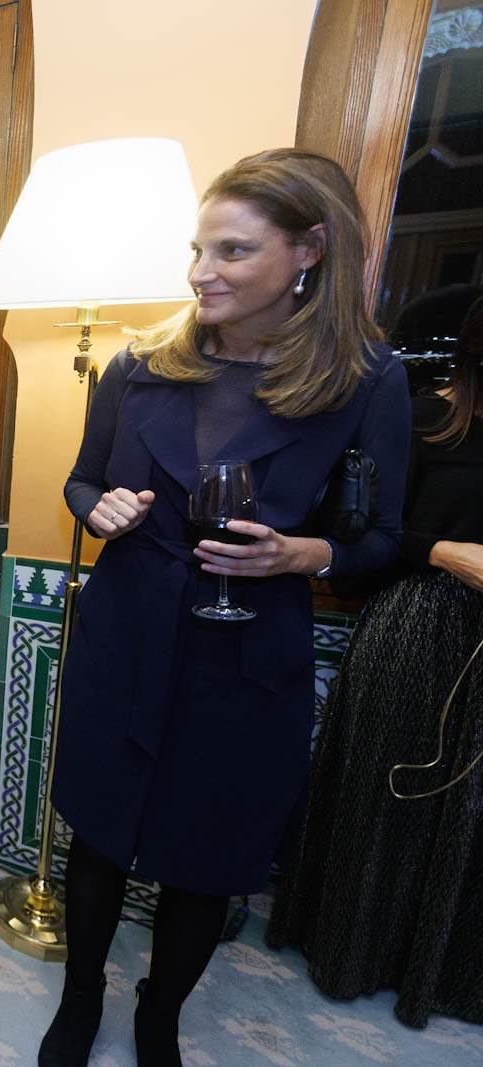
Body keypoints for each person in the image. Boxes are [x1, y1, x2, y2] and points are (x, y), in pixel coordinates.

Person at [37, 148, 411, 1067]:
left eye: (233, 252)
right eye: (198, 249)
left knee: (206, 854)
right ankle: (81, 997)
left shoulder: (366, 381)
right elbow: (81, 481)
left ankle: (159, 1011)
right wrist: (100, 508)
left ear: (309, 251)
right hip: (127, 634)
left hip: (247, 655)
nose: (202, 272)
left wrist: (304, 553)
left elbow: (381, 538)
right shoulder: (138, 364)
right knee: (100, 834)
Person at [267, 294, 483, 1028]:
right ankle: (352, 949)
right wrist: (443, 552)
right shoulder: (425, 415)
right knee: (387, 793)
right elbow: (366, 532)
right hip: (421, 623)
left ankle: (446, 972)